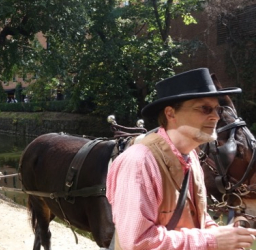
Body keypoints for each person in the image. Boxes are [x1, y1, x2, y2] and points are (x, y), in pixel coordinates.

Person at [106, 68, 256, 250]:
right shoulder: (139, 162)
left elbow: (197, 215)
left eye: (218, 109)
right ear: (171, 114)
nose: (216, 116)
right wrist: (210, 240)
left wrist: (223, 236)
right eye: (205, 108)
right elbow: (138, 242)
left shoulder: (191, 156)